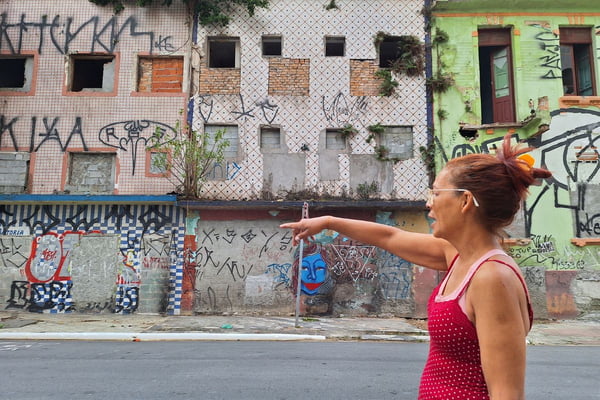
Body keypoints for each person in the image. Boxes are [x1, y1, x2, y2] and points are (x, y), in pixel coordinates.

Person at [280, 134, 552, 400]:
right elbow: (390, 237)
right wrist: (328, 221)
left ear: (465, 201)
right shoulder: (457, 255)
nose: (428, 203)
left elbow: (507, 394)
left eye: (436, 192)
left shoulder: (492, 278)